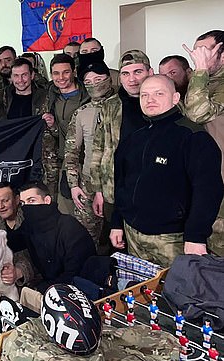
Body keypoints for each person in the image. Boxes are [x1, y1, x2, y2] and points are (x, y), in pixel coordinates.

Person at [110, 75, 223, 267]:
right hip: (133, 235)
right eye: (144, 95)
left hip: (173, 239)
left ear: (175, 98)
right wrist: (116, 222)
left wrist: (196, 236)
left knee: (178, 293)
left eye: (158, 93)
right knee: (140, 292)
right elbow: (122, 183)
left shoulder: (193, 137)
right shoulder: (134, 138)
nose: (150, 99)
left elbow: (208, 190)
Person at [90, 50, 153, 228]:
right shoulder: (110, 106)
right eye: (125, 73)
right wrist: (98, 190)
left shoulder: (163, 102)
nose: (132, 79)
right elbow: (98, 148)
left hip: (154, 189)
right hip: (116, 189)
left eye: (138, 72)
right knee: (117, 243)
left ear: (150, 72)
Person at [63, 61, 115, 247]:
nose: (94, 84)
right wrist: (74, 185)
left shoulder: (124, 108)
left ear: (109, 79)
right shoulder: (82, 113)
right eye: (89, 81)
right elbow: (71, 151)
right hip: (87, 184)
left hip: (118, 183)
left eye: (99, 79)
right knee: (84, 238)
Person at [183, 30, 224, 256]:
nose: (197, 56)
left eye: (205, 51)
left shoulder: (209, 80)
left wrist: (199, 71)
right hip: (207, 180)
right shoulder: (205, 81)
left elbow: (198, 114)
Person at [17, 181, 96, 293]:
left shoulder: (70, 228)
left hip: (78, 290)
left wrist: (43, 289)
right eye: (23, 203)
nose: (27, 207)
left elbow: (77, 272)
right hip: (50, 288)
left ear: (47, 200)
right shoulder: (30, 228)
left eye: (31, 201)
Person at [42, 53, 90, 211]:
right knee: (66, 212)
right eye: (56, 73)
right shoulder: (51, 97)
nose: (61, 77)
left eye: (66, 72)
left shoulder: (88, 96)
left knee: (90, 215)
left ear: (74, 72)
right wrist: (53, 125)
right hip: (66, 164)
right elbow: (60, 134)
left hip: (88, 165)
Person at [0, 58, 51, 123]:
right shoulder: (2, 97)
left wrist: (52, 125)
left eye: (24, 75)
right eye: (16, 75)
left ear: (32, 75)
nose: (20, 80)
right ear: (11, 77)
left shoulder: (46, 97)